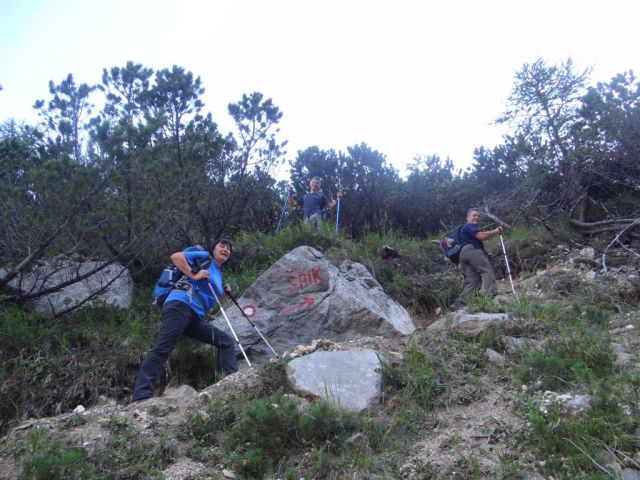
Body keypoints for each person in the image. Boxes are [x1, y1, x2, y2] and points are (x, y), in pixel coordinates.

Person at [132, 237, 237, 402]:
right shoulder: (204, 257)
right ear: (213, 249)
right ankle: (141, 396)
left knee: (226, 342)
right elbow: (176, 257)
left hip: (194, 316)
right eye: (222, 246)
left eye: (229, 248)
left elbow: (208, 298)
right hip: (180, 305)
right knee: (162, 349)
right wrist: (193, 275)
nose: (226, 249)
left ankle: (230, 385)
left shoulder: (218, 273)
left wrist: (223, 293)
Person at [451, 208, 504, 309]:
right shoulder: (468, 226)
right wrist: (496, 231)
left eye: (478, 216)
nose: (477, 217)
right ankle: (491, 296)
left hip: (463, 255)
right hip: (471, 250)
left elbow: (481, 237)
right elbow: (482, 236)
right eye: (474, 215)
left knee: (474, 280)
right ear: (467, 217)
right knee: (487, 271)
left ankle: (459, 304)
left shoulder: (465, 229)